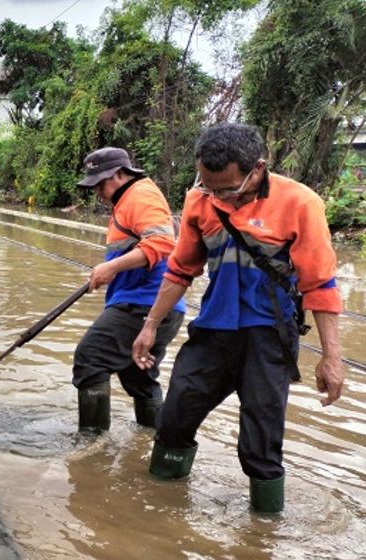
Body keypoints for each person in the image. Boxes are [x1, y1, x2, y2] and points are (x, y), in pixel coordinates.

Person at [132, 123, 345, 514]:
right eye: (209, 187)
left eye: (228, 189)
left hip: (268, 337)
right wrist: (150, 325)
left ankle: (263, 531)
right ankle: (158, 513)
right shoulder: (200, 202)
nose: (219, 197)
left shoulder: (300, 203)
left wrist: (331, 357)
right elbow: (181, 270)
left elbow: (321, 285)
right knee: (175, 418)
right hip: (212, 332)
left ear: (257, 168)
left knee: (260, 443)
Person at [71, 147, 185, 433]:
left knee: (91, 358)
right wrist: (114, 269)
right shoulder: (126, 202)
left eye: (101, 182)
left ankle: (92, 446)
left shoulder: (140, 195)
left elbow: (162, 242)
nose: (97, 190)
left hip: (143, 304)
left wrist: (111, 268)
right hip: (155, 306)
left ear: (121, 174)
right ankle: (154, 438)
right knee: (138, 375)